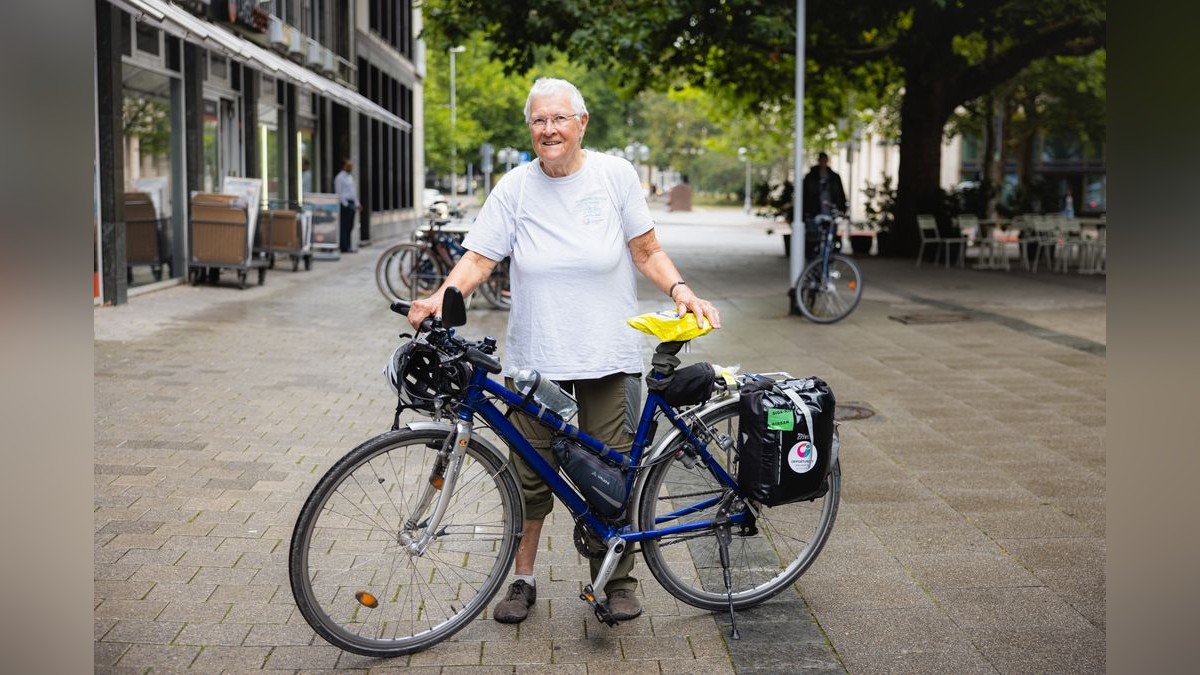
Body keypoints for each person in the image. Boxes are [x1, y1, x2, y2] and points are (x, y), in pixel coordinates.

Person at [407, 78, 721, 626]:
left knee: (610, 472)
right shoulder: (515, 188)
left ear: (582, 123)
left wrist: (680, 290)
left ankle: (615, 581)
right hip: (536, 360)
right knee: (529, 479)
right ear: (529, 128)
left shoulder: (614, 176)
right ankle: (523, 580)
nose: (548, 129)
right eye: (538, 120)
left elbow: (646, 250)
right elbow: (479, 259)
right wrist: (441, 296)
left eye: (558, 119)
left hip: (607, 355)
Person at [334, 158, 360, 252]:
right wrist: (345, 204)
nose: (350, 168)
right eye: (348, 166)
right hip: (345, 204)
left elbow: (353, 192)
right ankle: (344, 247)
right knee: (344, 226)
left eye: (351, 166)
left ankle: (348, 246)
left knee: (350, 226)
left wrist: (357, 203)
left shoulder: (350, 177)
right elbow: (339, 193)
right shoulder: (339, 178)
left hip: (351, 203)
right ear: (343, 166)